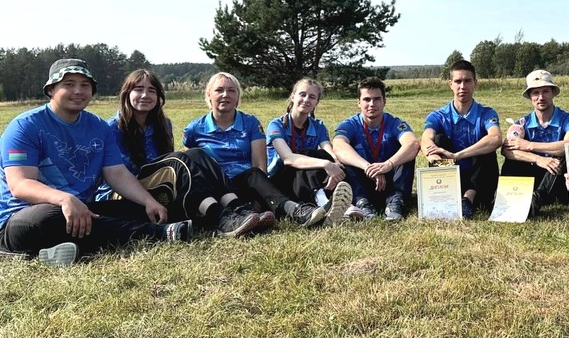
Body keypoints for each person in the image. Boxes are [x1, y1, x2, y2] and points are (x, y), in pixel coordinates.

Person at [0, 59, 191, 267]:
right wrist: (64, 199)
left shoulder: (99, 127)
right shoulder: (25, 126)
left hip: (84, 209)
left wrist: (148, 201)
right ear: (51, 89)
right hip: (24, 215)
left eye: (85, 85)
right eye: (69, 84)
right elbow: (20, 184)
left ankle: (60, 249)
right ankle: (159, 234)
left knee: (138, 209)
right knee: (49, 218)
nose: (78, 91)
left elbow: (117, 174)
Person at [101, 68, 270, 237]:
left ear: (158, 96)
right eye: (138, 89)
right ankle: (220, 216)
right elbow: (118, 176)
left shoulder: (163, 125)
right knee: (181, 160)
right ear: (126, 93)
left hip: (158, 186)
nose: (145, 95)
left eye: (151, 91)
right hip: (125, 191)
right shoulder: (112, 128)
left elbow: (165, 163)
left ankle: (238, 209)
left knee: (197, 154)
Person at [182, 72, 327, 228]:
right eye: (219, 90)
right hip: (215, 190)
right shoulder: (194, 129)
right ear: (208, 95)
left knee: (254, 173)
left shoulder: (250, 123)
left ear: (238, 96)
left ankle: (294, 210)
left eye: (231, 90)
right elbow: (191, 169)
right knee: (194, 155)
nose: (225, 95)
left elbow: (260, 166)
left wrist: (259, 200)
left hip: (245, 186)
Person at [500, 70, 569, 224]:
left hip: (559, 179)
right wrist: (538, 159)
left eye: (545, 91)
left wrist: (529, 145)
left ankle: (538, 198)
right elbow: (507, 150)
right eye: (536, 93)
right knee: (512, 161)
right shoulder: (522, 123)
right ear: (530, 97)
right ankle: (507, 199)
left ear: (553, 93)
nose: (541, 97)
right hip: (535, 175)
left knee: (563, 154)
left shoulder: (568, 119)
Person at [421, 60, 502, 218]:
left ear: (475, 83)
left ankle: (467, 200)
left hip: (481, 182)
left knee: (486, 143)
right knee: (438, 140)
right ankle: (446, 194)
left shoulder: (487, 113)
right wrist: (433, 156)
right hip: (451, 178)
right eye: (458, 81)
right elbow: (425, 138)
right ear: (450, 84)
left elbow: (496, 138)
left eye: (467, 81)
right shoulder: (438, 115)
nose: (462, 86)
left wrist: (457, 155)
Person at [332, 76, 420, 221]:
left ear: (384, 101)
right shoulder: (350, 124)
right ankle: (363, 203)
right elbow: (338, 146)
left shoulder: (395, 123)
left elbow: (413, 144)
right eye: (367, 99)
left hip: (390, 182)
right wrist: (368, 167)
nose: (372, 104)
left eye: (377, 99)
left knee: (407, 154)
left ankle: (396, 202)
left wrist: (387, 165)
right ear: (358, 102)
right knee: (345, 157)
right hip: (363, 181)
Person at [266, 77, 353, 223]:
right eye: (302, 94)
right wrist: (326, 164)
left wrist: (335, 165)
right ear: (292, 96)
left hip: (304, 180)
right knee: (309, 154)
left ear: (316, 103)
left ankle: (338, 202)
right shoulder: (277, 125)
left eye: (312, 97)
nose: (306, 100)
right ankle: (322, 201)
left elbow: (328, 150)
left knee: (322, 156)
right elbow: (288, 158)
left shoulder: (318, 126)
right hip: (280, 179)